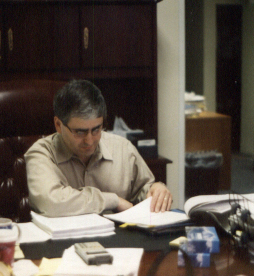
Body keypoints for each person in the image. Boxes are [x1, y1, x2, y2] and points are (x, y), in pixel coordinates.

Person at [24, 79, 172, 217]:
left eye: (96, 129)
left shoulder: (123, 149)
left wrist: (157, 190)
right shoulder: (41, 153)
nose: (89, 140)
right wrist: (113, 201)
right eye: (80, 132)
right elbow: (51, 202)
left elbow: (144, 190)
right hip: (61, 242)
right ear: (58, 125)